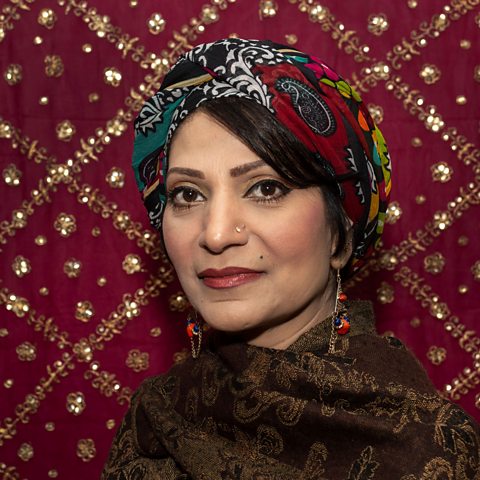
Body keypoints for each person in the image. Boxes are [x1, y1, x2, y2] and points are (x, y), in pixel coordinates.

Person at [102, 38, 479, 479]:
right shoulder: (155, 415)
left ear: (339, 233)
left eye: (265, 188)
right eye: (188, 194)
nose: (217, 234)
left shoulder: (430, 445)